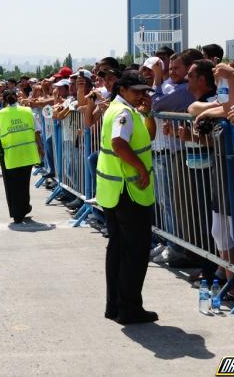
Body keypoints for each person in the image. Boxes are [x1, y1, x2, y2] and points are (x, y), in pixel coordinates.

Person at [96, 73, 157, 324]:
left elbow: (148, 136)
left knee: (118, 250)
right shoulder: (124, 112)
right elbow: (119, 143)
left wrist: (149, 113)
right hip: (129, 192)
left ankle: (115, 306)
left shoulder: (122, 109)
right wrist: (141, 168)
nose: (141, 94)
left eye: (144, 90)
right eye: (137, 90)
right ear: (123, 89)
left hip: (115, 191)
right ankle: (129, 308)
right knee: (134, 252)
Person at [0, 89, 44, 223]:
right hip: (27, 153)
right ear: (17, 98)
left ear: (4, 100)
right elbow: (37, 130)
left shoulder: (0, 114)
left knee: (12, 185)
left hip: (10, 154)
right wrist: (40, 147)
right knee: (24, 183)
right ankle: (24, 208)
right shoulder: (27, 111)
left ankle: (17, 213)